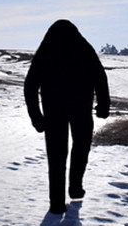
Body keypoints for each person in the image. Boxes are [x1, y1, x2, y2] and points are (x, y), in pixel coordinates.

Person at [24, 19, 110, 215]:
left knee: (56, 156)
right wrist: (103, 105)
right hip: (81, 108)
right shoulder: (83, 47)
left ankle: (57, 203)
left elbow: (30, 85)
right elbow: (100, 76)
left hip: (54, 111)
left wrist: (36, 116)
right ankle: (75, 187)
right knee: (81, 147)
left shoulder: (46, 50)